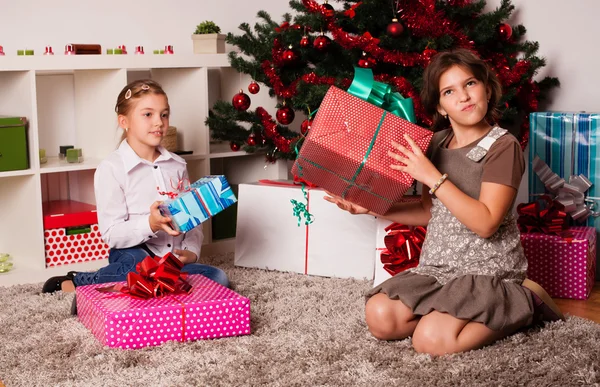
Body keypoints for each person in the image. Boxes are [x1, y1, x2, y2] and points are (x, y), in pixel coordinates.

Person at [325, 48, 564, 356]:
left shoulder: (504, 146)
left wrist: (432, 176)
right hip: (439, 267)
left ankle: (523, 303)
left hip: (487, 271)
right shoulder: (437, 143)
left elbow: (487, 222)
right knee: (381, 318)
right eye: (449, 91)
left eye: (471, 84)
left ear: (488, 90)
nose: (463, 96)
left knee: (430, 341)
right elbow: (429, 211)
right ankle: (446, 309)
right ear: (440, 106)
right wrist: (373, 207)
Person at [42, 80, 229, 311]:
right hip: (133, 252)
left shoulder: (177, 165)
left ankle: (151, 291)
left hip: (171, 259)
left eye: (164, 114)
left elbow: (194, 218)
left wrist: (191, 251)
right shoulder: (111, 169)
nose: (159, 122)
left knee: (217, 278)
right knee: (136, 267)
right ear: (124, 121)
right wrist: (150, 224)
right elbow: (112, 234)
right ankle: (79, 282)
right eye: (148, 114)